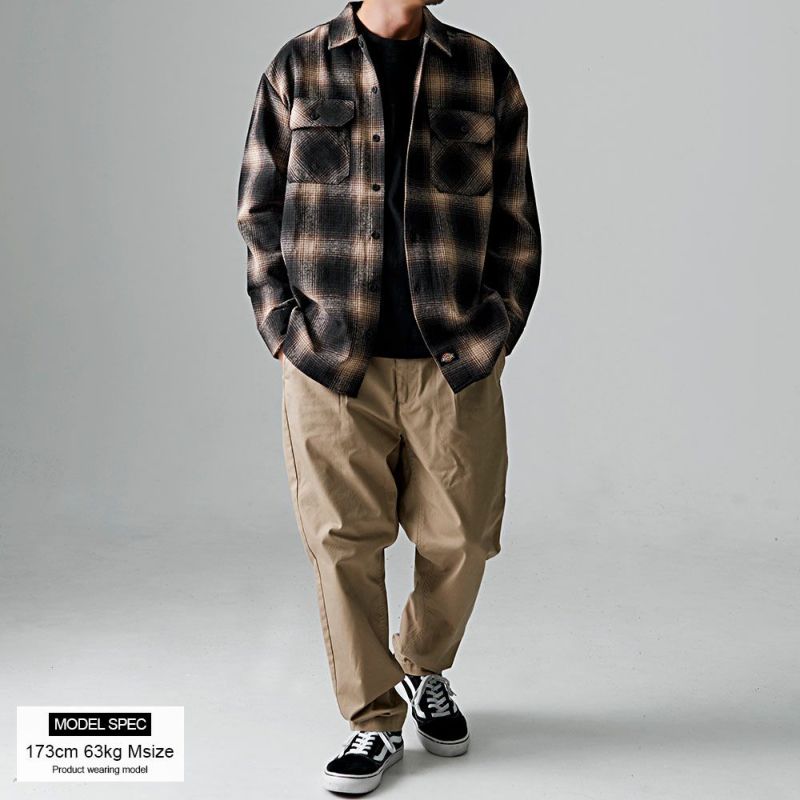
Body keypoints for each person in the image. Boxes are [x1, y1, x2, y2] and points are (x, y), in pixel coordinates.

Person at [237, 0, 541, 793]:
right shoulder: (299, 67)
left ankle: (423, 666)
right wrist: (284, 329)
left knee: (465, 537)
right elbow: (258, 212)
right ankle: (372, 720)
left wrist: (496, 330)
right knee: (342, 542)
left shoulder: (484, 72)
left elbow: (517, 224)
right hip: (332, 361)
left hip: (452, 360)